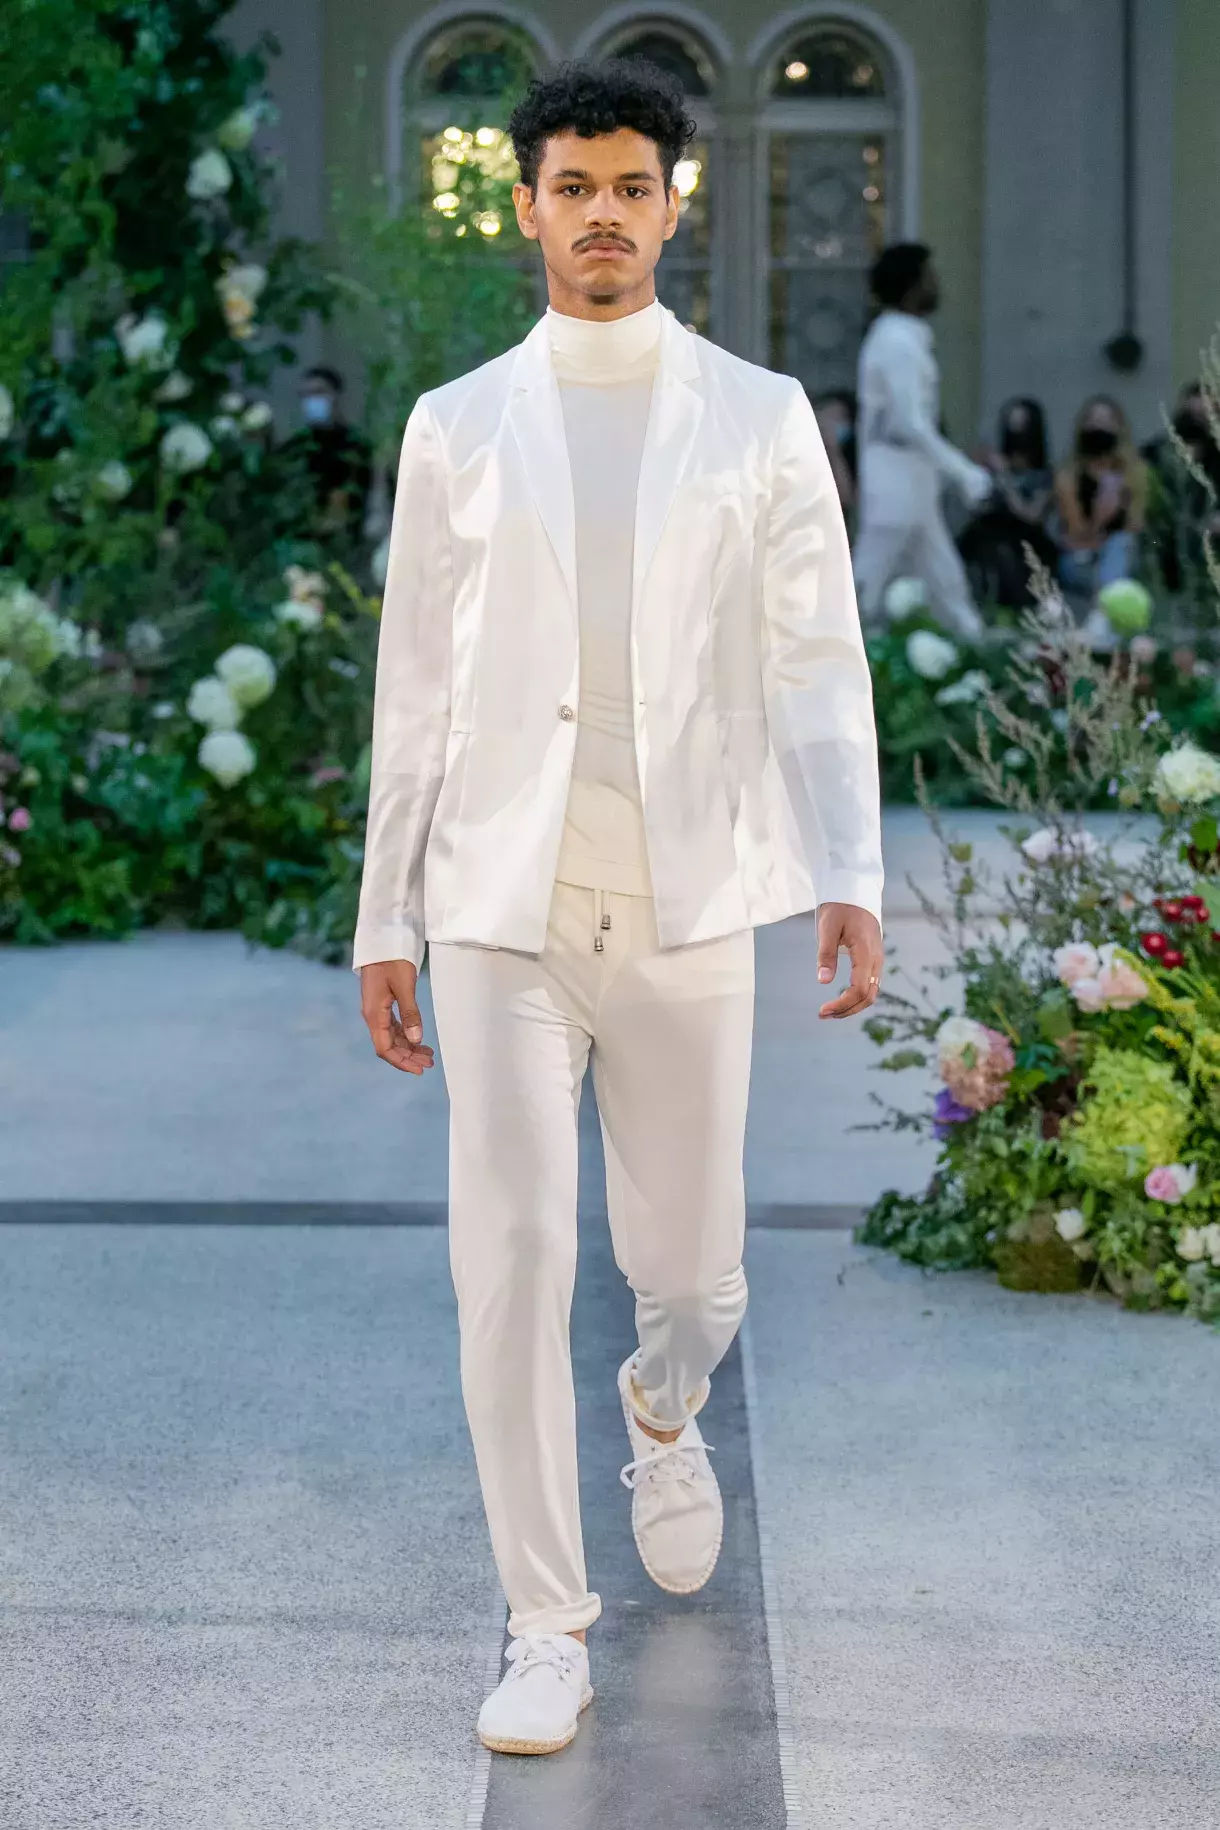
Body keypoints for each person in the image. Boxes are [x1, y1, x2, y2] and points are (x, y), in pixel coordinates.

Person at [353, 57, 884, 1758]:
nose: (601, 215)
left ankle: (663, 1403)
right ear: (526, 208)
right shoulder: (457, 427)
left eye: (629, 188)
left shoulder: (758, 416)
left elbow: (817, 657)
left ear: (672, 206)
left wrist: (850, 869)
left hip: (689, 899)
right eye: (572, 187)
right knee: (509, 1258)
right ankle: (543, 1622)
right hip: (497, 906)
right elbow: (416, 690)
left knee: (696, 1268)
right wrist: (385, 915)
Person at [852, 242, 992, 637]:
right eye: (929, 277)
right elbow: (909, 422)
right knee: (864, 587)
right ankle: (821, 660)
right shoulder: (896, 342)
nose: (937, 284)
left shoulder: (904, 338)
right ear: (911, 286)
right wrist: (964, 472)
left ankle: (977, 647)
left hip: (910, 478)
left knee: (946, 581)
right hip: (895, 479)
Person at [958, 397, 1057, 609]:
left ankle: (1018, 609)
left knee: (1008, 554)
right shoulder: (994, 465)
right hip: (989, 532)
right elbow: (977, 506)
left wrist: (1005, 477)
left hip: (1026, 538)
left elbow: (1031, 514)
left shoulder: (1044, 475)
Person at [1055, 394, 1148, 598]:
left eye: (1106, 421)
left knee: (1120, 543)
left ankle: (1106, 601)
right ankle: (1110, 602)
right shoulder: (1068, 475)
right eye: (1093, 421)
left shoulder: (1134, 472)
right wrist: (1100, 515)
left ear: (1119, 428)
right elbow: (1075, 535)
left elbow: (1135, 527)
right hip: (1079, 560)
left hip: (1121, 555)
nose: (1099, 427)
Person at [277, 365, 373, 541]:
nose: (312, 400)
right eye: (306, 395)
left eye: (319, 392)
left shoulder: (356, 447)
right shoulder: (293, 449)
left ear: (336, 395)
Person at [1142, 381, 1220, 593]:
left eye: (1205, 415)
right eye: (1192, 415)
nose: (1198, 422)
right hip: (1166, 538)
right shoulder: (1157, 453)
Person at [811, 387, 858, 518]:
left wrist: (833, 451)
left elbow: (845, 497)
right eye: (827, 417)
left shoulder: (852, 457)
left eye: (837, 419)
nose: (829, 425)